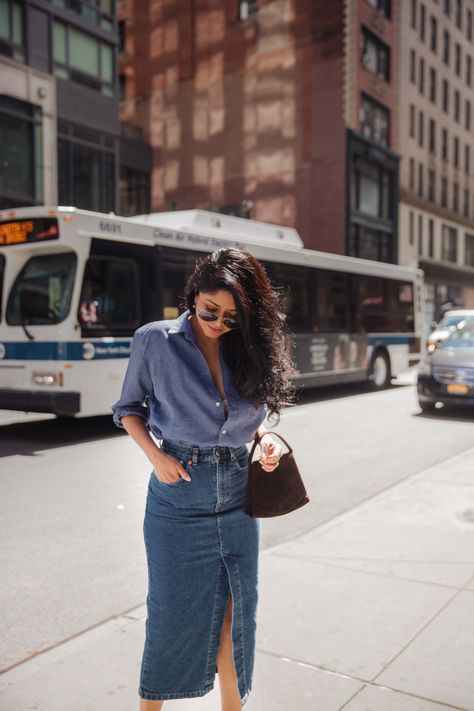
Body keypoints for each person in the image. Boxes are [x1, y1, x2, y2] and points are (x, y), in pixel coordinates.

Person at [111, 248, 296, 710]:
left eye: (232, 317)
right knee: (172, 618)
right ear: (192, 295)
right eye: (209, 309)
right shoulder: (155, 340)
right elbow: (128, 410)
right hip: (178, 494)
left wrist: (266, 442)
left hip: (238, 491)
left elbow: (250, 421)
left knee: (238, 618)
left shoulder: (247, 347)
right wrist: (155, 456)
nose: (217, 322)